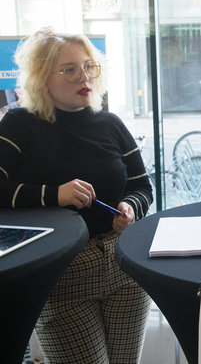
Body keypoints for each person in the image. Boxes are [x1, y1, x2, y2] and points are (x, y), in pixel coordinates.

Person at [0, 28, 153, 363]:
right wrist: (55, 194)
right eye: (69, 69)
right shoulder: (18, 124)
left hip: (125, 265)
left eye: (88, 66)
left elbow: (143, 187)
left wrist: (130, 208)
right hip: (62, 274)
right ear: (42, 78)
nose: (83, 76)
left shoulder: (110, 123)